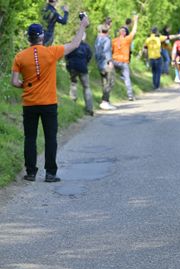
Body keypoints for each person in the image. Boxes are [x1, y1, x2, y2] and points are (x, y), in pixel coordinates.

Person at [11, 17, 89, 182]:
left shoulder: (19, 57)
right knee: (50, 138)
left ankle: (31, 172)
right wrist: (82, 25)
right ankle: (50, 173)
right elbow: (75, 44)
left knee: (30, 138)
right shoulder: (52, 52)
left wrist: (26, 84)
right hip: (48, 104)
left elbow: (14, 82)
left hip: (29, 104)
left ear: (29, 38)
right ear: (41, 37)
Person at [65, 33, 93, 116]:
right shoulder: (87, 47)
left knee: (73, 83)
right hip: (83, 68)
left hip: (72, 67)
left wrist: (69, 64)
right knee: (86, 87)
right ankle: (89, 108)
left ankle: (73, 102)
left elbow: (67, 55)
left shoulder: (72, 44)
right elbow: (89, 56)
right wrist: (85, 63)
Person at [112, 14, 138, 101]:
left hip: (115, 61)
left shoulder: (114, 41)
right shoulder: (127, 40)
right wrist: (136, 21)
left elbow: (110, 51)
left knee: (111, 76)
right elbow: (134, 31)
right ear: (125, 33)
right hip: (124, 62)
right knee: (127, 78)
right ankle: (130, 95)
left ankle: (111, 93)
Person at [95, 24, 116, 110]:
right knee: (110, 82)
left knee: (104, 82)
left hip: (99, 63)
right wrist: (110, 61)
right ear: (107, 31)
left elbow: (96, 53)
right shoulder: (107, 39)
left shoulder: (97, 39)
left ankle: (105, 100)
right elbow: (107, 51)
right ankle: (105, 101)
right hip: (106, 63)